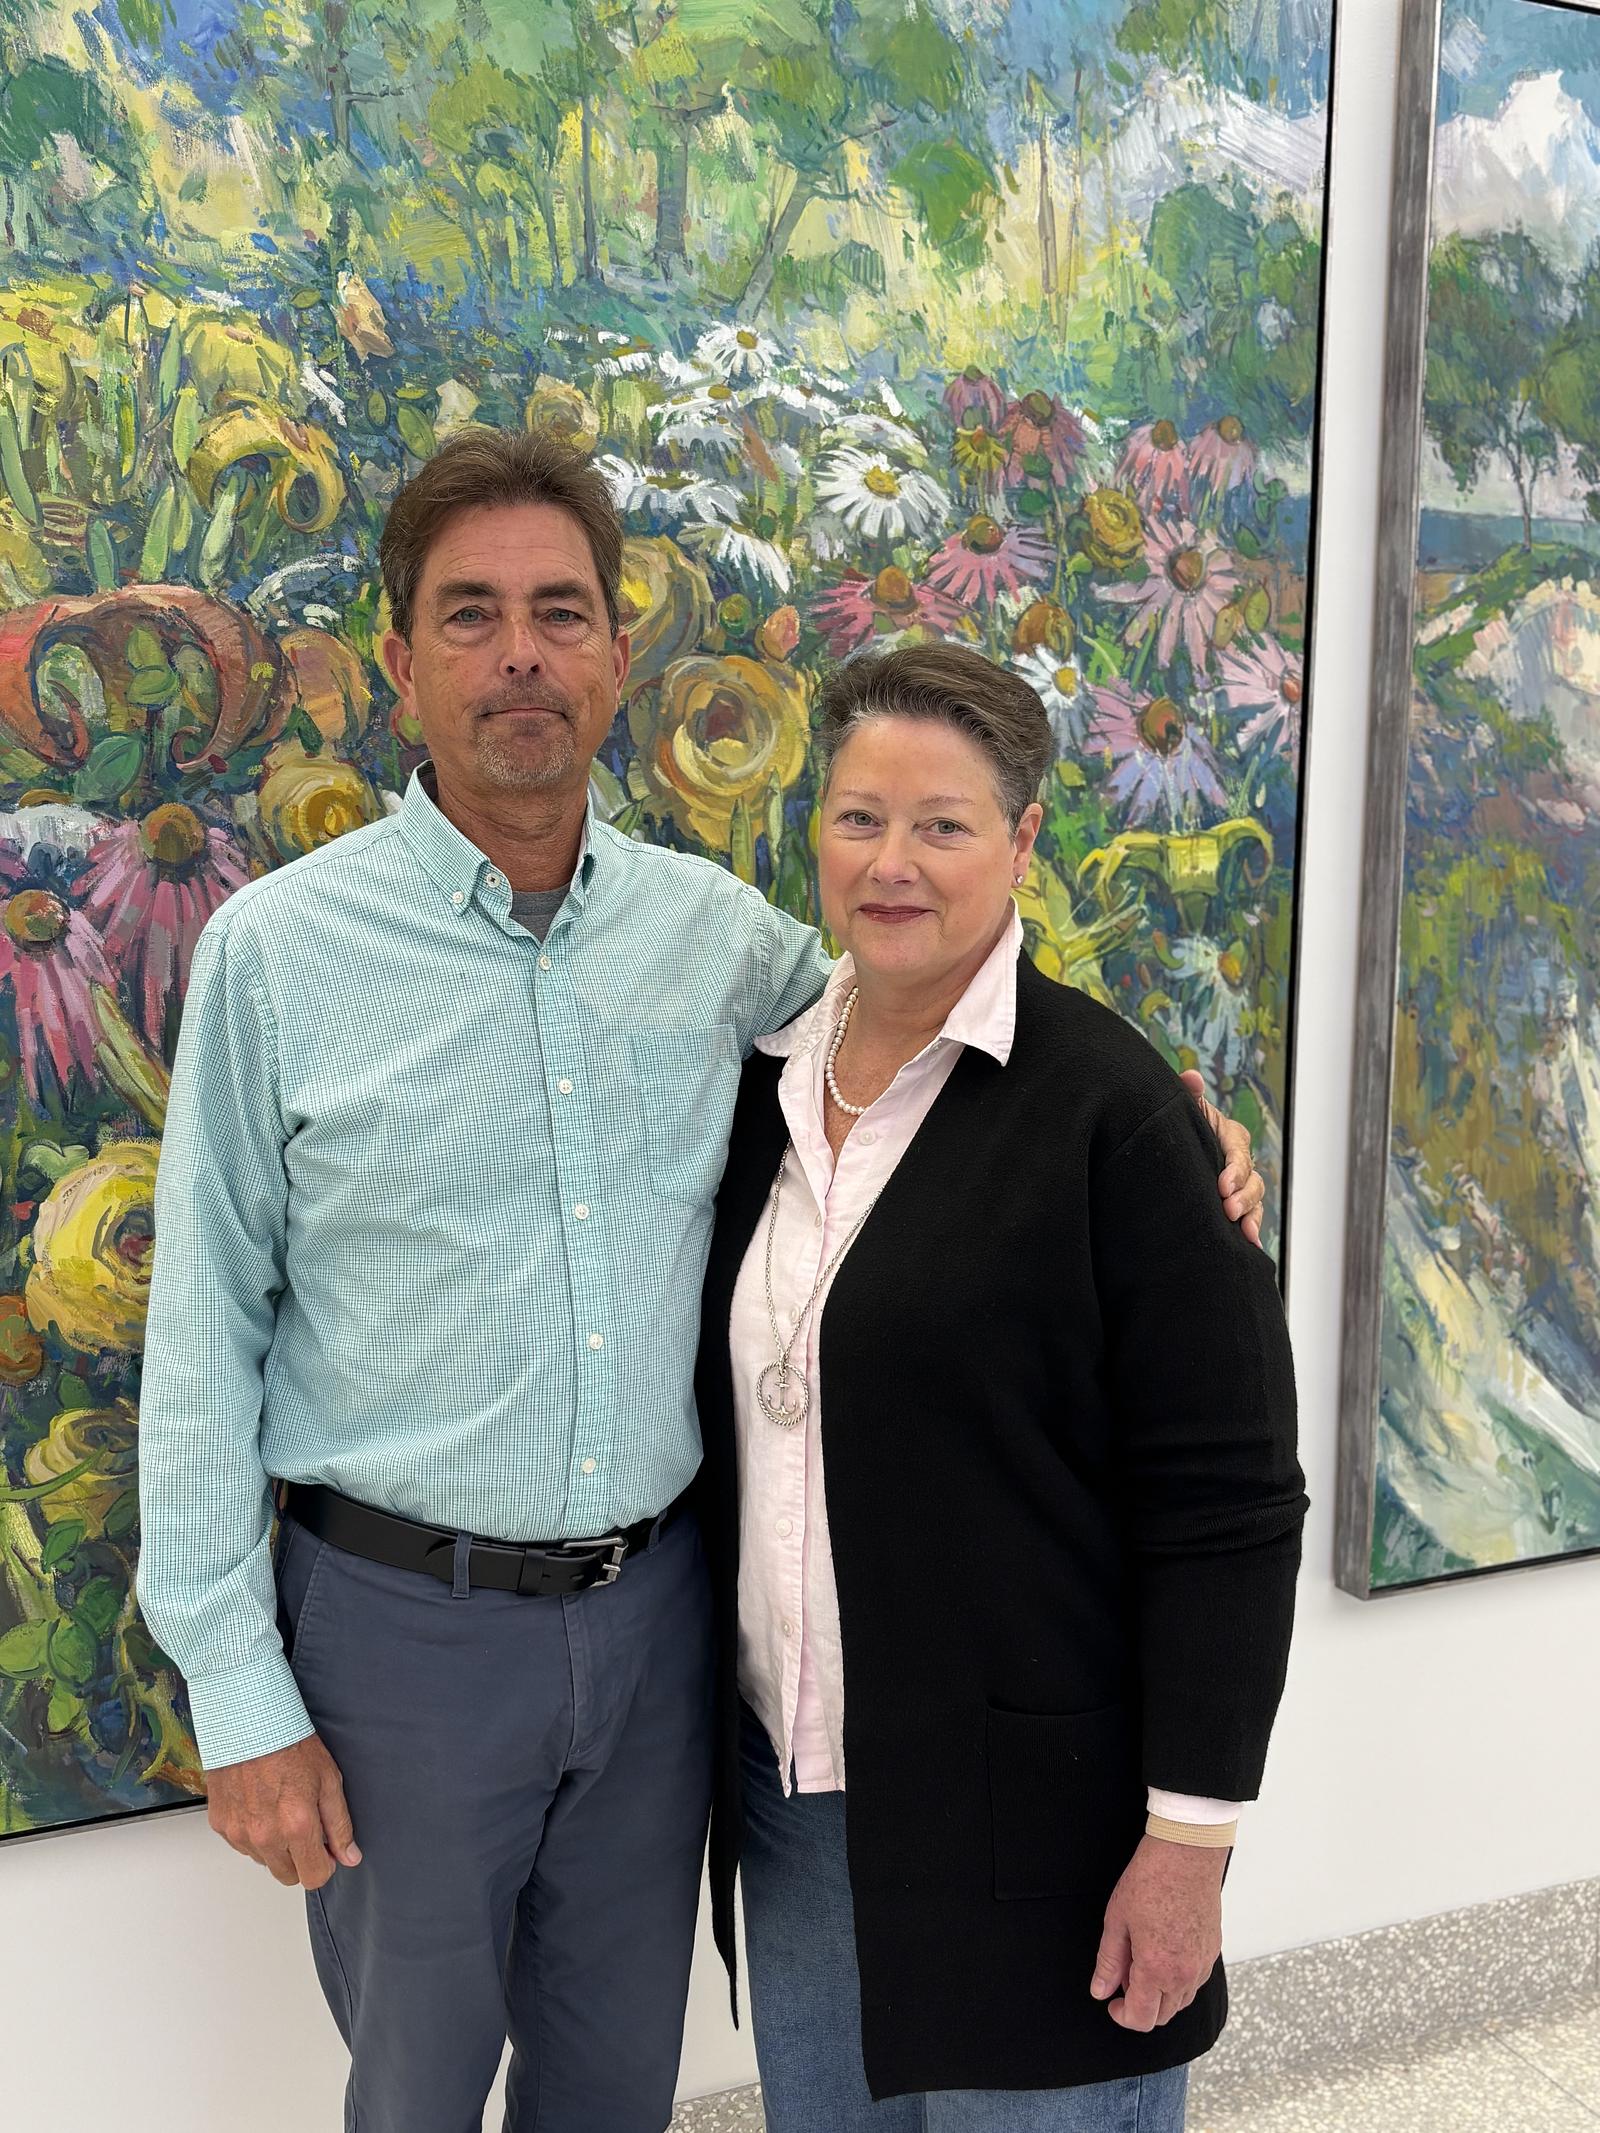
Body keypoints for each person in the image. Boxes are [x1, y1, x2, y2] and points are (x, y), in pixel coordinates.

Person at [136, 431, 1268, 2133]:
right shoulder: (279, 955)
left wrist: (1167, 1121)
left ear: (617, 650)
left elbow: (927, 1008)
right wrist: (236, 1688)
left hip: (663, 1637)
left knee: (617, 2087)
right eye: (470, 614)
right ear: (399, 657)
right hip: (400, 1634)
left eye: (560, 612)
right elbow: (200, 1337)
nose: (521, 653)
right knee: (415, 2093)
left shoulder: (717, 937)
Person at [693, 643, 1306, 2132]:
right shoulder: (756, 1085)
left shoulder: (1114, 1113)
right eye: (858, 817)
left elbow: (1228, 1503)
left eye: (943, 824)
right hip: (799, 1811)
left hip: (1043, 1830)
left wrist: (1191, 1843)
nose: (890, 863)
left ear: (1024, 840)